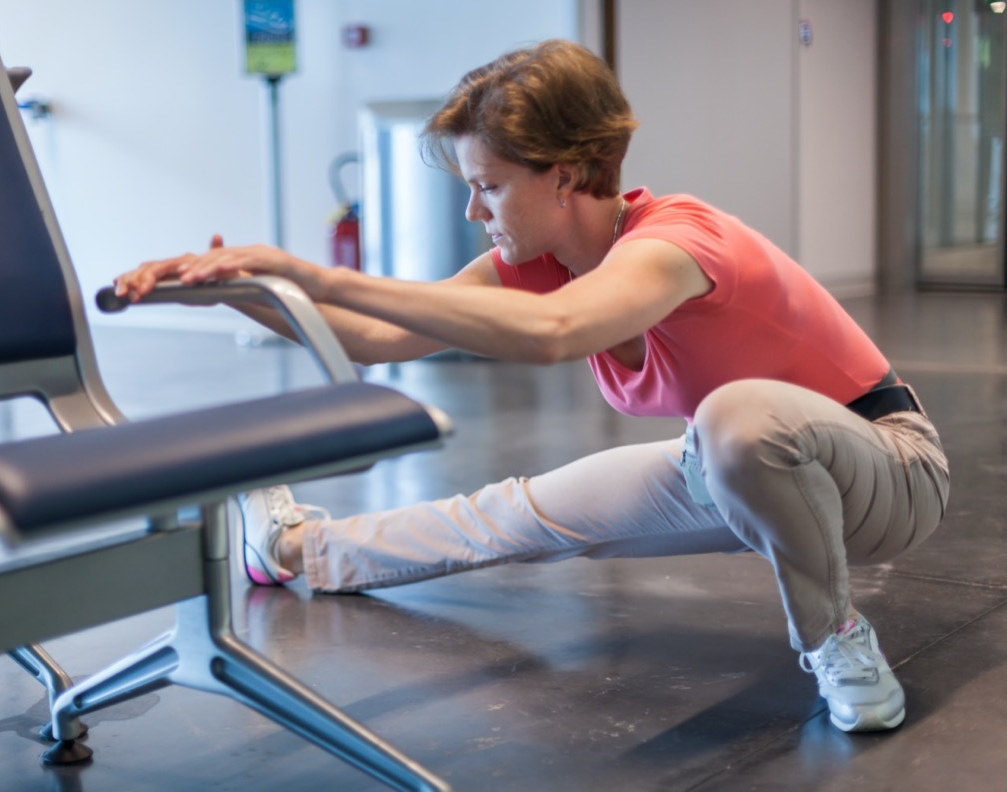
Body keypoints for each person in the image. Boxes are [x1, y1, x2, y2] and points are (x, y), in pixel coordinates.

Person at [113, 40, 949, 734]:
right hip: (733, 466)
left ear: (567, 174)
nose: (476, 211)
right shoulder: (536, 262)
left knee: (734, 414)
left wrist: (310, 271)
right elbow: (373, 338)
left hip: (887, 469)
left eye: (488, 186)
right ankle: (294, 545)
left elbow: (557, 334)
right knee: (511, 514)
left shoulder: (678, 241)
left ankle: (838, 639)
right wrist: (234, 286)